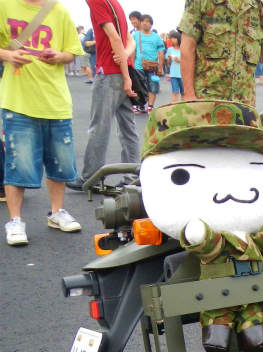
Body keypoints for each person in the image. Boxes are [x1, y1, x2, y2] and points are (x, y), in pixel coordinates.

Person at [0, 0, 85, 245]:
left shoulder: (59, 10)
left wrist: (59, 56)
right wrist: (8, 55)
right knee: (17, 164)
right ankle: (15, 221)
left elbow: (71, 52)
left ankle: (57, 212)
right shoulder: (5, 5)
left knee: (61, 163)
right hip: (18, 102)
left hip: (56, 102)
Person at [68, 0, 139, 193]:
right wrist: (125, 60)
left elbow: (115, 38)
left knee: (99, 126)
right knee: (128, 128)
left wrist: (125, 75)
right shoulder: (114, 3)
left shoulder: (96, 1)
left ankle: (90, 177)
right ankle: (133, 177)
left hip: (108, 74)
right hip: (122, 72)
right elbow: (129, 40)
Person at [178, 0, 263, 111]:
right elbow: (188, 47)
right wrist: (189, 95)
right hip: (207, 101)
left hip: (244, 105)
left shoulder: (258, 5)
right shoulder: (201, 2)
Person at [134, 15, 164, 113]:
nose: (145, 23)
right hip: (138, 66)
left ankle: (150, 106)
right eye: (143, 21)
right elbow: (133, 51)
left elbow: (161, 53)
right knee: (139, 87)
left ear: (151, 24)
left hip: (152, 67)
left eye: (147, 21)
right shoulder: (136, 35)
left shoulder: (157, 37)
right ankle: (141, 105)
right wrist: (132, 64)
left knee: (153, 86)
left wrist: (160, 67)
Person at [166, 31, 183, 102]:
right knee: (175, 92)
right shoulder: (170, 49)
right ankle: (174, 106)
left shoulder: (183, 49)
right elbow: (168, 63)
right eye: (171, 38)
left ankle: (184, 106)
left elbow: (187, 61)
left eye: (174, 38)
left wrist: (179, 60)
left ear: (178, 39)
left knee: (183, 93)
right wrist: (169, 59)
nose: (172, 40)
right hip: (173, 74)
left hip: (182, 74)